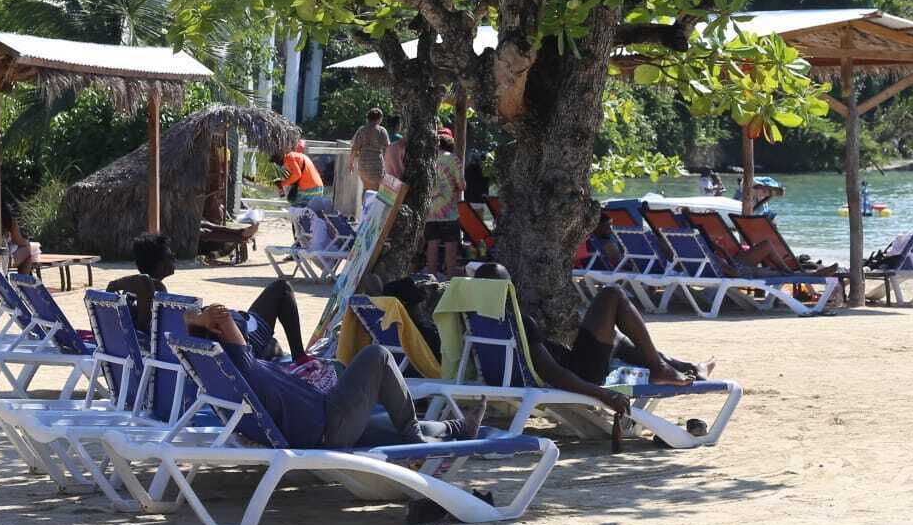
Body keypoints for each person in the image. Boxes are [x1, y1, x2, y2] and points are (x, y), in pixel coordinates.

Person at [193, 302, 476, 450]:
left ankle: (457, 428)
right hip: (329, 423)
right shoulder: (241, 364)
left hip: (324, 425)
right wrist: (205, 319)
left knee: (390, 426)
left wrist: (197, 322)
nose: (245, 334)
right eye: (238, 329)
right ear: (222, 334)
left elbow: (184, 323)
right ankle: (414, 434)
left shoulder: (226, 369)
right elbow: (220, 317)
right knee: (377, 355)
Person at [470, 262, 710, 405]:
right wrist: (603, 396)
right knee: (612, 295)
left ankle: (683, 366)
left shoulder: (476, 321)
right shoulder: (518, 323)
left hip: (567, 366)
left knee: (616, 339)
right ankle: (660, 367)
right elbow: (552, 373)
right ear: (508, 288)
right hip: (581, 373)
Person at [107, 232, 305, 357]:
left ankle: (288, 354)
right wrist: (118, 282)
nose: (174, 257)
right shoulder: (158, 299)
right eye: (169, 255)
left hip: (233, 329)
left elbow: (141, 285)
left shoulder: (138, 303)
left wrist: (116, 284)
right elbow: (144, 283)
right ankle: (300, 359)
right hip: (239, 341)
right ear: (158, 263)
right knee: (282, 288)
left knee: (269, 332)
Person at [422, 131, 464, 278]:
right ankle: (450, 277)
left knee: (432, 244)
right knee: (450, 245)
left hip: (431, 210)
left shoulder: (428, 159)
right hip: (449, 211)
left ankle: (431, 277)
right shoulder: (453, 159)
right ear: (450, 145)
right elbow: (462, 185)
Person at [347, 108, 391, 198]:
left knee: (366, 189)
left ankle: (364, 209)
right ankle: (373, 211)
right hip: (376, 167)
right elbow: (388, 148)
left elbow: (354, 148)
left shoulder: (361, 130)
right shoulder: (382, 131)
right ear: (380, 118)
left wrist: (351, 163)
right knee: (376, 193)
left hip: (363, 166)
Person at [278, 139, 325, 203]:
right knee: (310, 210)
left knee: (293, 205)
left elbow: (297, 175)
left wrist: (283, 184)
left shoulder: (290, 156)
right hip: (319, 188)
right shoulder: (302, 156)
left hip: (310, 189)